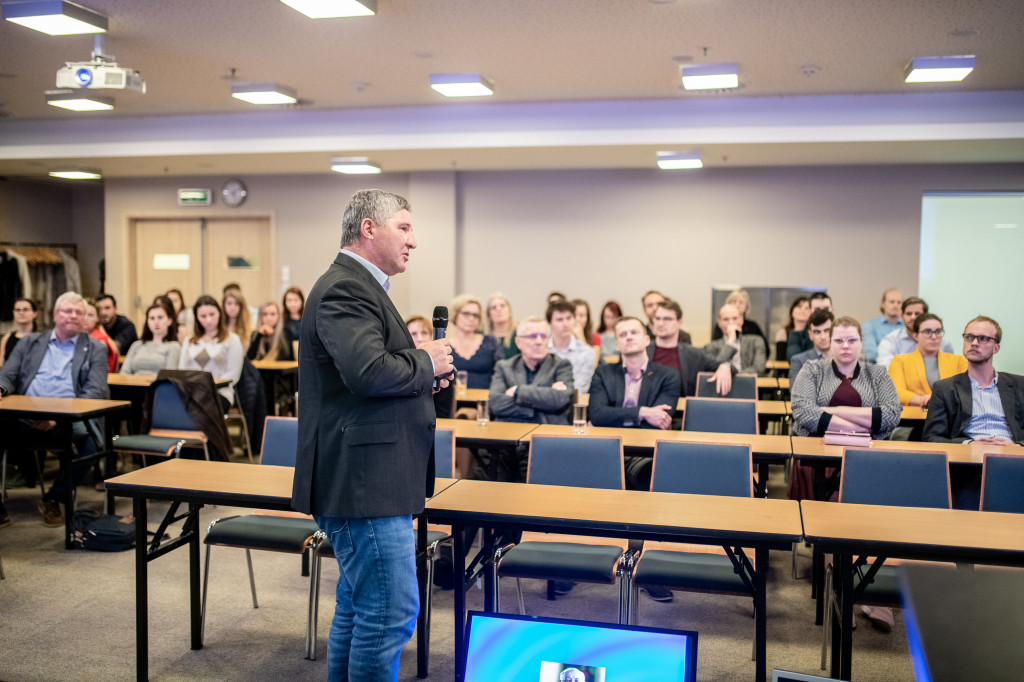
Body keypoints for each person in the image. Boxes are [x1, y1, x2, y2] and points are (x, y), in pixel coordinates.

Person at [291, 188, 454, 680]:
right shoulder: (347, 287)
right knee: (390, 615)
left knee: (360, 608)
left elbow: (372, 375)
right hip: (364, 486)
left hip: (367, 481)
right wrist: (425, 361)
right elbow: (368, 373)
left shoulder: (362, 286)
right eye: (404, 228)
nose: (413, 241)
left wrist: (423, 372)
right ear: (368, 228)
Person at [0, 292, 108, 528]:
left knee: (91, 443)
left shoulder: (95, 348)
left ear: (84, 319)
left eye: (78, 312)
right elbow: (8, 375)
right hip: (24, 416)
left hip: (67, 419)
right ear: (55, 315)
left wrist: (58, 418)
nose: (73, 316)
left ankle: (54, 497)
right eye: (67, 311)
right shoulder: (29, 342)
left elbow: (95, 392)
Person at [589, 317, 680, 493]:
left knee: (647, 474)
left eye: (634, 332)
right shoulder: (603, 373)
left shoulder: (668, 376)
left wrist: (610, 418)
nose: (628, 337)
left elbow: (659, 422)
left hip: (646, 451)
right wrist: (643, 412)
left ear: (646, 339)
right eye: (623, 334)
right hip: (608, 447)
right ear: (616, 344)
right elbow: (597, 414)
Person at [489, 316, 574, 480]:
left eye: (543, 336)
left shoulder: (561, 365)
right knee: (487, 464)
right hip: (507, 438)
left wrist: (517, 391)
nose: (539, 342)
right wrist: (540, 404)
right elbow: (496, 404)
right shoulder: (505, 367)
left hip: (545, 438)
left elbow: (560, 399)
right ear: (518, 342)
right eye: (532, 337)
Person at [923, 316, 1024, 445]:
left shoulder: (1019, 385)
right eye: (969, 337)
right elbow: (931, 438)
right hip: (968, 457)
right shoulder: (945, 388)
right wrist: (968, 444)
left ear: (996, 348)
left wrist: (1016, 447)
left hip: (1012, 456)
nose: (974, 343)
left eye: (983, 338)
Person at [648, 299, 733, 397]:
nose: (661, 323)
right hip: (645, 409)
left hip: (681, 409)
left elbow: (724, 364)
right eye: (657, 318)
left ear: (679, 323)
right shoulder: (643, 351)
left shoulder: (693, 354)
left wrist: (725, 366)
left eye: (667, 319)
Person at [178, 295, 244, 412]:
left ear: (219, 313)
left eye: (212, 314)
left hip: (220, 392)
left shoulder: (232, 339)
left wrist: (208, 385)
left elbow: (233, 374)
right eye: (203, 316)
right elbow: (182, 370)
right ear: (197, 318)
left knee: (200, 405)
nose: (208, 320)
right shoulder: (189, 341)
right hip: (191, 391)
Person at [888, 313, 966, 407]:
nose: (934, 337)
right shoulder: (900, 361)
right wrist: (923, 400)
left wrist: (935, 400)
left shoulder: (958, 361)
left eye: (938, 331)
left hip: (950, 418)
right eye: (927, 332)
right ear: (916, 335)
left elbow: (966, 389)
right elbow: (896, 392)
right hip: (914, 418)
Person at [875, 296, 954, 370]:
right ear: (902, 317)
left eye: (917, 314)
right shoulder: (890, 341)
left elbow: (950, 371)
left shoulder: (943, 344)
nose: (913, 317)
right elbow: (886, 370)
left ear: (926, 316)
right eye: (909, 314)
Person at [449, 294, 503, 390]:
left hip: (484, 401)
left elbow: (501, 375)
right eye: (466, 313)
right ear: (455, 315)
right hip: (450, 402)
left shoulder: (491, 343)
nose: (471, 318)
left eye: (476, 315)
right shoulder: (445, 346)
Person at [704, 303, 767, 376]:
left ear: (742, 320)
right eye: (726, 319)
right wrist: (730, 342)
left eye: (735, 318)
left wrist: (732, 374)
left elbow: (759, 369)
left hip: (748, 384)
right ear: (719, 323)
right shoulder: (710, 347)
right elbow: (715, 368)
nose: (731, 322)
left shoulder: (756, 341)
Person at [547, 299, 595, 394]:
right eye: (559, 320)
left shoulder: (586, 352)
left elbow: (580, 389)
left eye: (569, 318)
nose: (565, 324)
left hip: (572, 404)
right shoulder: (541, 350)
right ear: (549, 324)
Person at [120, 303, 182, 375]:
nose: (156, 322)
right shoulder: (137, 345)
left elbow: (169, 376)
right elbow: (124, 372)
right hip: (133, 384)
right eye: (152, 318)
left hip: (159, 385)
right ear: (147, 322)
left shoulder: (173, 346)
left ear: (169, 321)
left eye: (160, 317)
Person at [789, 309, 834, 384]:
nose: (823, 337)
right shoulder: (799, 361)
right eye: (817, 332)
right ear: (810, 335)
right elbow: (797, 394)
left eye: (827, 330)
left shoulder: (846, 359)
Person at [861, 288, 903, 363]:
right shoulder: (870, 326)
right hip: (878, 370)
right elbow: (871, 354)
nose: (896, 305)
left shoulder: (906, 327)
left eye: (899, 302)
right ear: (883, 304)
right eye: (892, 302)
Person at [787, 292, 832, 360]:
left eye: (826, 309)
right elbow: (795, 360)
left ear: (832, 310)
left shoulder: (843, 331)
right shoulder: (801, 335)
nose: (822, 313)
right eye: (817, 309)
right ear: (810, 311)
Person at [0, 297, 38, 368]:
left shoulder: (42, 338)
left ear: (34, 314)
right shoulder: (7, 338)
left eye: (25, 310)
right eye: (17, 310)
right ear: (14, 313)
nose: (21, 313)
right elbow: (1, 364)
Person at [83, 298, 119, 372]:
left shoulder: (100, 339)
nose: (85, 318)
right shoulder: (78, 336)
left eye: (90, 315)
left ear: (98, 319)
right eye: (82, 313)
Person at [775, 296, 809, 362]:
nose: (803, 310)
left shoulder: (814, 333)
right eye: (799, 306)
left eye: (807, 308)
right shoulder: (783, 333)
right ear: (792, 311)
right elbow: (780, 360)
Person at [486, 293, 520, 359]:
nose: (498, 309)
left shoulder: (519, 334)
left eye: (502, 306)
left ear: (509, 311)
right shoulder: (482, 337)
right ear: (489, 314)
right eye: (494, 307)